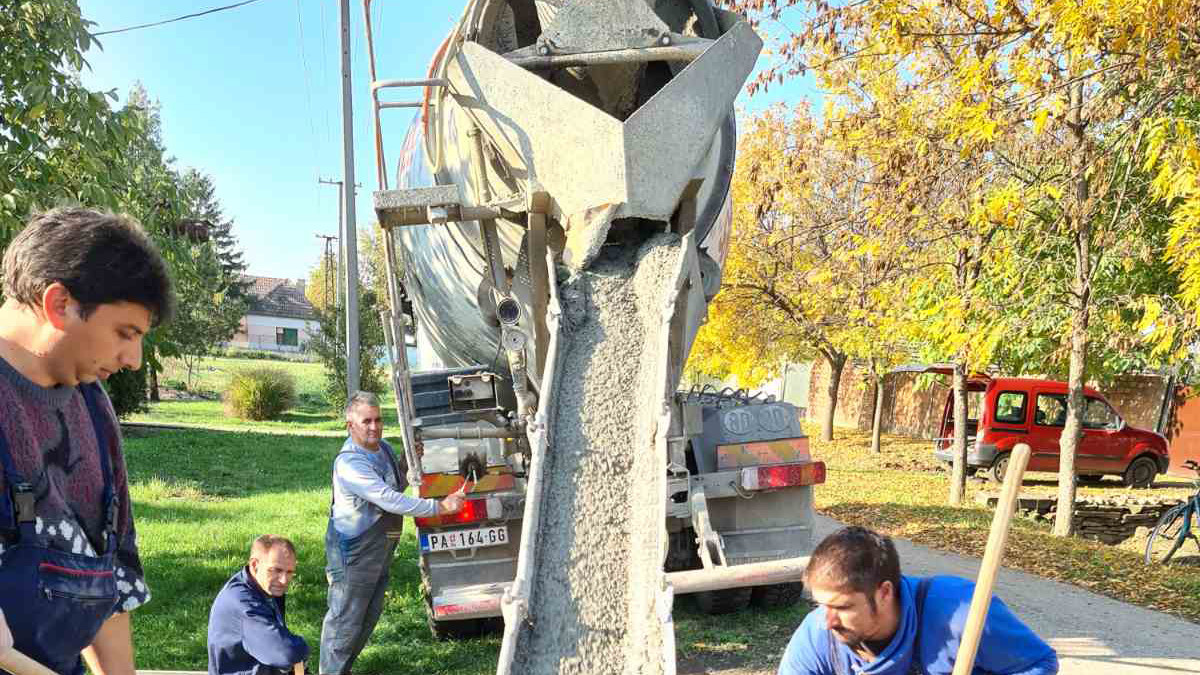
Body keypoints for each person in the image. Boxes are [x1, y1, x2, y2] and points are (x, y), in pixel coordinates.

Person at [0, 208, 173, 675]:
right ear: (59, 304)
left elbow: (109, 574)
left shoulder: (93, 410)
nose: (134, 359)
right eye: (125, 333)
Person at [319, 392, 466, 675]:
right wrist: (441, 506)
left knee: (367, 616)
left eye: (378, 420)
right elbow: (389, 498)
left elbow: (394, 484)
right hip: (354, 555)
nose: (374, 427)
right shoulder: (350, 463)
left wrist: (406, 463)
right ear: (351, 425)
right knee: (344, 622)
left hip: (378, 551)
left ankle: (342, 670)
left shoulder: (383, 448)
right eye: (366, 421)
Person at [779, 526, 1058, 675]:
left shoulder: (960, 613)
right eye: (820, 605)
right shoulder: (817, 636)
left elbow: (1039, 663)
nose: (827, 621)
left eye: (842, 607)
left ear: (884, 592)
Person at [208, 535, 309, 675]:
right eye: (277, 570)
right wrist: (301, 645)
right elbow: (286, 653)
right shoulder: (244, 605)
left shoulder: (261, 587)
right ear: (255, 565)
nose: (284, 580)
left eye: (290, 572)